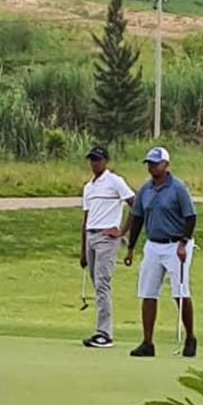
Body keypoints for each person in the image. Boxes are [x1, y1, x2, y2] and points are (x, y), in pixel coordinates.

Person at [124, 147, 197, 358]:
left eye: (156, 163)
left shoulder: (178, 188)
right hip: (153, 244)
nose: (152, 167)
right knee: (147, 293)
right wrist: (130, 248)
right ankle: (147, 342)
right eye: (149, 163)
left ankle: (190, 337)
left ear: (166, 165)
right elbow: (137, 219)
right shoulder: (145, 190)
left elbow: (190, 217)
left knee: (180, 293)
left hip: (176, 244)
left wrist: (183, 242)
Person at [80, 146, 135, 348]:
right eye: (92, 160)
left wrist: (122, 231)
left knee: (103, 284)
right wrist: (82, 250)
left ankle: (104, 333)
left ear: (106, 161)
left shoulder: (115, 181)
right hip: (91, 236)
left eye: (98, 160)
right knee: (97, 285)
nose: (95, 163)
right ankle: (101, 331)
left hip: (107, 238)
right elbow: (86, 219)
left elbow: (134, 204)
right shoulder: (89, 187)